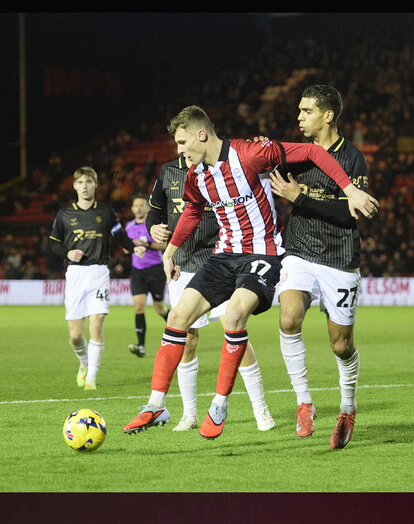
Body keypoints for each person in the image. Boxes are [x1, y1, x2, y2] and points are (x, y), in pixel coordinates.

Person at [122, 104, 379, 439]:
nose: (179, 150)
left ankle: (219, 406)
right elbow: (192, 212)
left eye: (183, 142)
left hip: (263, 254)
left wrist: (350, 190)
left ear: (202, 134)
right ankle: (156, 404)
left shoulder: (251, 153)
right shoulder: (196, 176)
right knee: (177, 318)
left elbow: (314, 152)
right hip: (224, 256)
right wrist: (170, 252)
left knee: (233, 317)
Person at [266, 84, 369, 449]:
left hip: (339, 256)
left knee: (341, 345)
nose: (299, 117)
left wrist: (300, 197)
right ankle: (304, 402)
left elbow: (350, 213)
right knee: (288, 317)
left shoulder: (352, 157)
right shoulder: (294, 154)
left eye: (306, 111)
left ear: (328, 115)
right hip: (299, 249)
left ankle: (347, 408)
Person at [144, 155, 275, 432]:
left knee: (234, 328)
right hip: (182, 264)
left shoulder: (216, 169)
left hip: (219, 261)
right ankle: (189, 414)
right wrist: (152, 227)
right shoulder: (168, 171)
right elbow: (154, 212)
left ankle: (260, 409)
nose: (183, 146)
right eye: (179, 142)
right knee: (187, 339)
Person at [48, 167, 146, 390]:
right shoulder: (65, 215)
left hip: (99, 273)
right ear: (74, 186)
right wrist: (67, 253)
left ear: (95, 185)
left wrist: (135, 248)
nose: (84, 186)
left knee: (97, 324)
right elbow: (54, 242)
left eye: (89, 182)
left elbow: (120, 236)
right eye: (80, 182)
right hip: (75, 274)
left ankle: (91, 378)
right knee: (75, 336)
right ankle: (84, 363)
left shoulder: (106, 212)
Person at [125, 195, 170, 358]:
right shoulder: (129, 226)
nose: (137, 208)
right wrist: (130, 247)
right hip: (137, 271)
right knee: (138, 307)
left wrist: (147, 245)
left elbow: (165, 244)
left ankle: (180, 330)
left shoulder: (153, 226)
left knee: (160, 308)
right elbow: (126, 247)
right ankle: (141, 345)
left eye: (140, 205)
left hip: (155, 270)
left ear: (147, 208)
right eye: (135, 205)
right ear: (132, 209)